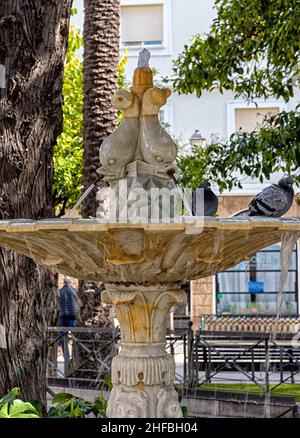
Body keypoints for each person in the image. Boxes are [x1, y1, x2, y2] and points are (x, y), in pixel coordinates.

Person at [57, 277, 78, 365]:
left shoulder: (60, 291)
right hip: (73, 316)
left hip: (63, 316)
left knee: (62, 337)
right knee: (75, 337)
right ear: (70, 282)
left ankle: (67, 357)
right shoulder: (74, 291)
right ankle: (76, 357)